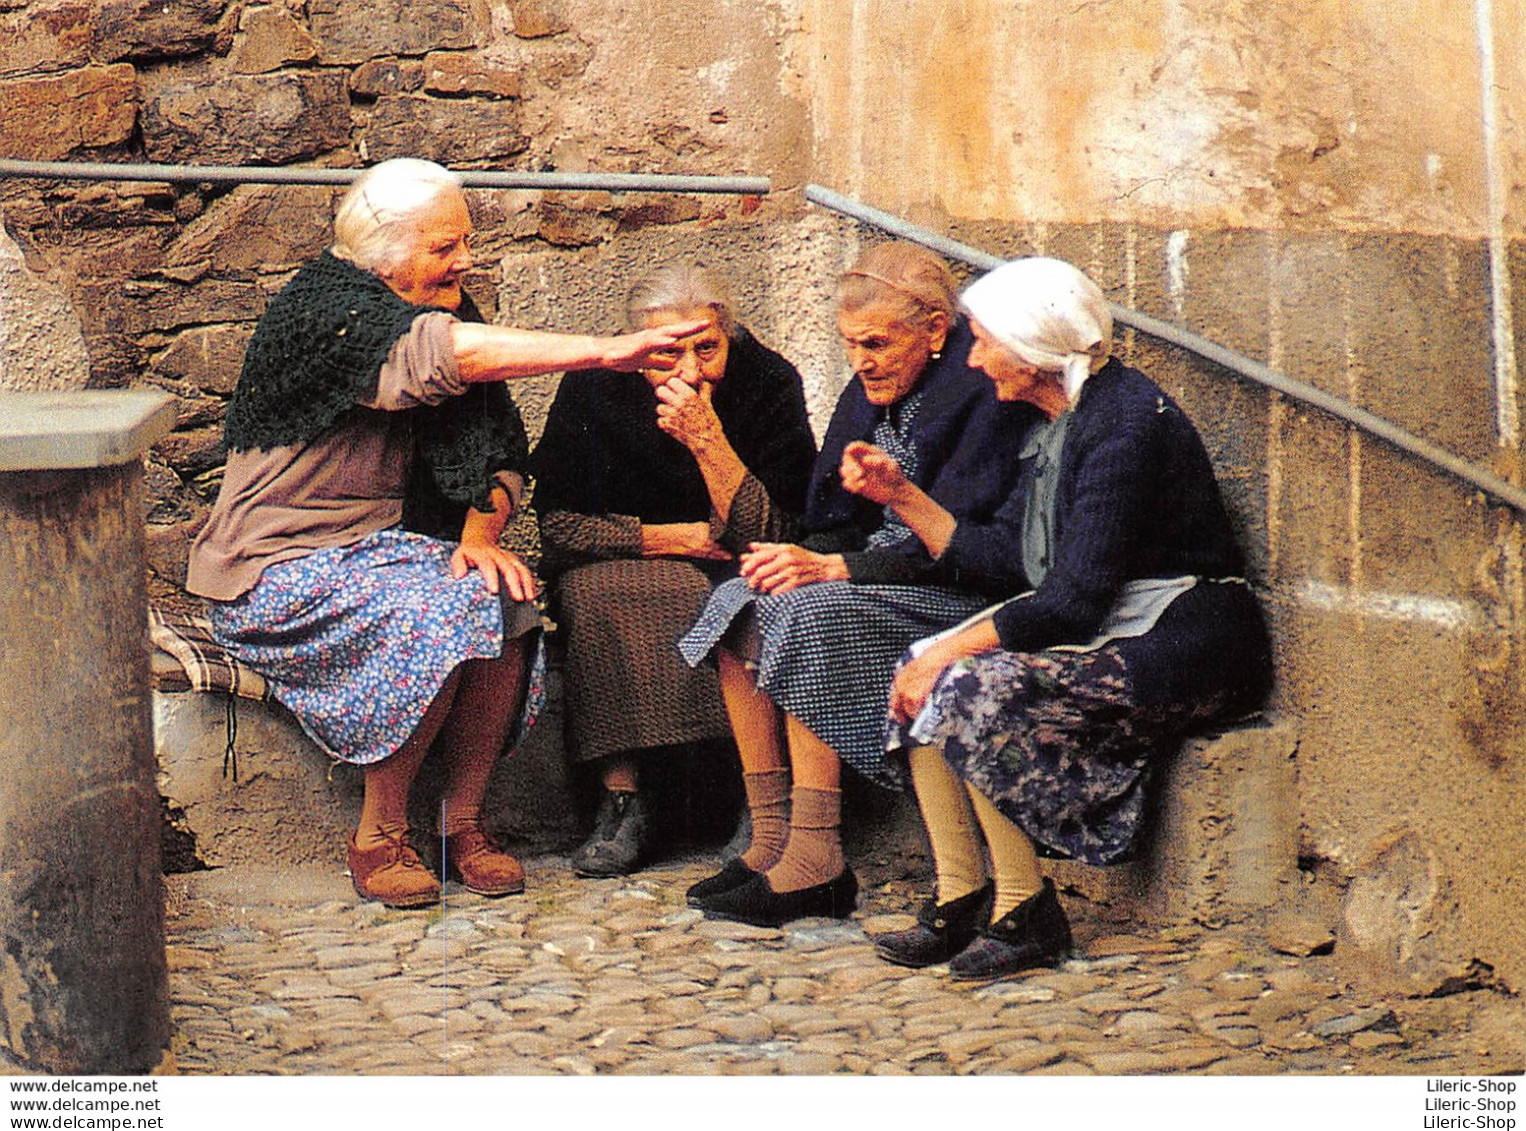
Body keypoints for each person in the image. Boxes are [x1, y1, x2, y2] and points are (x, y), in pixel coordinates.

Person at [185, 158, 704, 910]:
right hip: (270, 565)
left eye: (465, 241)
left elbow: (501, 453)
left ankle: (463, 822)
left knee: (506, 600)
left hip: (377, 553)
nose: (466, 259)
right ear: (385, 255)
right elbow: (436, 359)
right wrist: (604, 350)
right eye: (443, 247)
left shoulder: (446, 308)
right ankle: (380, 832)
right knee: (441, 608)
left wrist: (481, 535)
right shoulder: (323, 311)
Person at [867, 256, 1273, 980]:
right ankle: (962, 895)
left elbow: (1072, 599)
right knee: (919, 661)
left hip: (1191, 634)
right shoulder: (1061, 420)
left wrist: (951, 652)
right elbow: (1011, 559)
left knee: (964, 682)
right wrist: (902, 497)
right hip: (1122, 614)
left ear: (1033, 348)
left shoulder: (1123, 424)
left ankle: (1026, 911)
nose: (974, 356)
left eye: (985, 340)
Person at [678, 241, 1041, 927]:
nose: (861, 361)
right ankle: (772, 834)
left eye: (876, 343)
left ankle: (818, 855)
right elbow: (834, 516)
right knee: (739, 595)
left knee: (810, 611)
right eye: (849, 344)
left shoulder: (984, 390)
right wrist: (803, 553)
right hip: (876, 572)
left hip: (958, 584)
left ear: (936, 330)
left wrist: (836, 567)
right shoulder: (874, 382)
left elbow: (961, 542)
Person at [529, 266, 816, 877]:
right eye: (666, 355)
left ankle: (755, 797)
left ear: (728, 338)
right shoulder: (594, 387)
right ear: (636, 351)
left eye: (706, 348)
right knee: (600, 596)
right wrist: (666, 537)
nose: (689, 371)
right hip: (625, 563)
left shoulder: (766, 381)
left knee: (743, 600)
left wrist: (708, 441)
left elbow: (777, 532)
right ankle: (624, 801)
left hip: (740, 562)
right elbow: (560, 527)